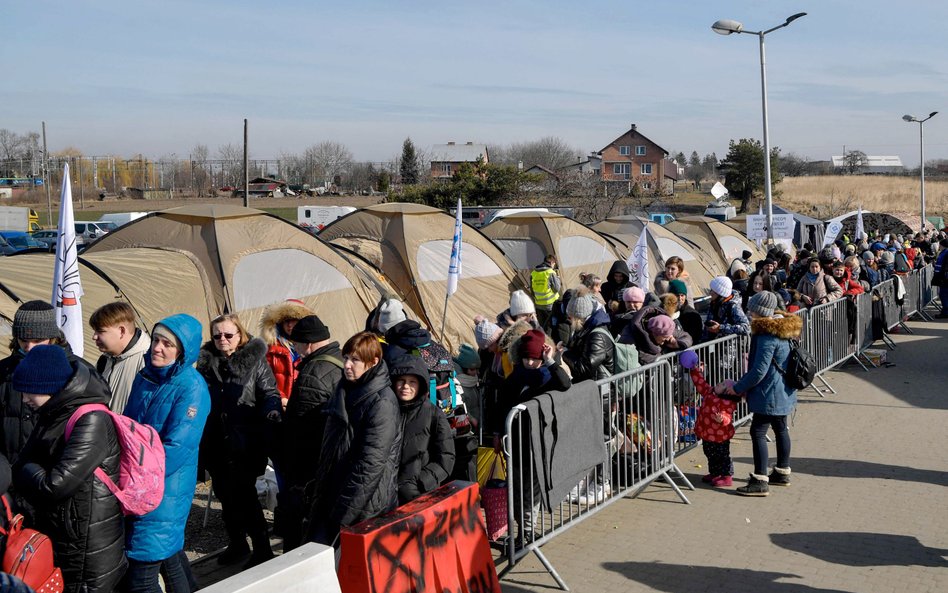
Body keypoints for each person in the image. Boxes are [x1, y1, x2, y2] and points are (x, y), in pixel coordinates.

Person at [12, 345, 126, 593]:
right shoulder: (53, 411)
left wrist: (23, 467)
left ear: (49, 386)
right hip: (67, 536)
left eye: (29, 391)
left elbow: (55, 484)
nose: (24, 399)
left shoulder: (91, 419)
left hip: (88, 546)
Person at [122, 314, 210, 593]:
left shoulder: (192, 388)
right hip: (138, 482)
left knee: (143, 574)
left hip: (163, 487)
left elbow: (177, 447)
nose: (157, 348)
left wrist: (137, 479)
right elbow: (129, 427)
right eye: (156, 341)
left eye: (166, 344)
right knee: (168, 554)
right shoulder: (146, 377)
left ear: (182, 351)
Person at [197, 314, 282, 567]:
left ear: (239, 335)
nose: (222, 339)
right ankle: (237, 543)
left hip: (244, 441)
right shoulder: (206, 364)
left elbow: (269, 392)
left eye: (228, 335)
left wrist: (271, 411)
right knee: (224, 494)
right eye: (217, 335)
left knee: (244, 496)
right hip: (215, 440)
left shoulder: (255, 361)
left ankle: (262, 549)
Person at [305, 332, 401, 546]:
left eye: (355, 360)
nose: (347, 365)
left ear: (373, 362)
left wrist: (344, 515)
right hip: (333, 492)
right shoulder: (344, 389)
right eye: (346, 357)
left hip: (363, 505)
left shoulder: (382, 402)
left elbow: (370, 464)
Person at [719, 291, 802, 497]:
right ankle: (782, 472)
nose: (749, 312)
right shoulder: (785, 329)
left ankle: (760, 479)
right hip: (783, 390)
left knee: (758, 431)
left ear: (760, 311)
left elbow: (758, 371)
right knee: (781, 429)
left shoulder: (766, 335)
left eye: (752, 308)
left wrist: (738, 388)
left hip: (769, 393)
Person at [279, 315, 343, 551]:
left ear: (307, 344)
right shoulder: (340, 359)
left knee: (304, 530)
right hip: (334, 462)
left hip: (312, 469)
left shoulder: (312, 374)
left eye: (295, 343)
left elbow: (302, 433)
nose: (294, 348)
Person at [390, 356, 455, 505]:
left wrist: (422, 482)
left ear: (421, 385)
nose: (406, 386)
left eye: (412, 382)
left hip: (419, 496)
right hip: (386, 496)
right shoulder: (386, 410)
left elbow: (446, 456)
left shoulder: (433, 414)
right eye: (401, 381)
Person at [680, 350, 736, 488]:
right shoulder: (709, 391)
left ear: (727, 392)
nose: (719, 384)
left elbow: (728, 417)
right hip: (707, 434)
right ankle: (715, 473)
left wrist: (722, 419)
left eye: (722, 385)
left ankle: (727, 476)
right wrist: (694, 370)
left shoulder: (727, 403)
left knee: (722, 456)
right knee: (709, 453)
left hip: (720, 436)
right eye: (721, 382)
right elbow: (700, 383)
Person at [89, 301, 150, 413]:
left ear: (121, 331)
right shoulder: (104, 360)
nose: (94, 337)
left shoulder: (147, 361)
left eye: (100, 331)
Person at [259, 298, 313, 409]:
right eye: (285, 320)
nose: (289, 325)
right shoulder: (272, 350)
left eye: (294, 320)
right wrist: (281, 397)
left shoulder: (312, 347)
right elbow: (266, 379)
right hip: (281, 405)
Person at [561, 292, 614, 382]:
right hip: (593, 384)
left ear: (578, 316)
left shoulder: (597, 336)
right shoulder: (586, 327)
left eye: (570, 317)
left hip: (601, 389)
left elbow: (584, 369)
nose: (568, 319)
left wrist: (564, 353)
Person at [704, 276, 750, 341]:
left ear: (720, 293)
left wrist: (720, 328)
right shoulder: (714, 303)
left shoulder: (733, 306)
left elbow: (745, 328)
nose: (710, 293)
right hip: (713, 345)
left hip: (728, 347)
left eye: (712, 290)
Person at [530, 254, 562, 333]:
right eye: (554, 263)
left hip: (538, 305)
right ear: (551, 262)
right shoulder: (550, 272)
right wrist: (558, 279)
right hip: (550, 305)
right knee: (550, 327)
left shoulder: (533, 273)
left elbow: (532, 290)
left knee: (541, 326)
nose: (554, 266)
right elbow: (557, 288)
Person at [668, 280, 702, 345]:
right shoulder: (667, 310)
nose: (680, 298)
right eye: (677, 295)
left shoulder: (692, 315)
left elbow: (694, 337)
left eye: (682, 295)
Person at [933, 238, 948, 319]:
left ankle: (945, 312)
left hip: (945, 277)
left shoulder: (945, 253)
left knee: (943, 294)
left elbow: (942, 266)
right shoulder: (944, 253)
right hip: (944, 276)